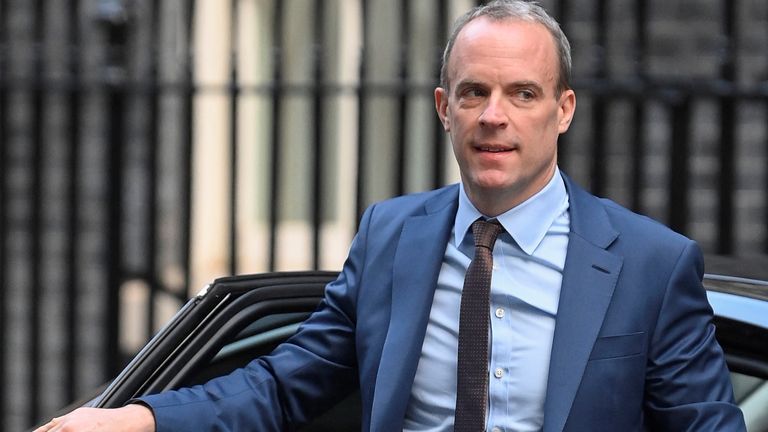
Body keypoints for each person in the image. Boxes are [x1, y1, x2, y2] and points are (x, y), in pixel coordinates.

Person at [36, 1, 746, 431]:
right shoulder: (390, 237)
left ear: (563, 111)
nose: (494, 116)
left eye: (523, 94)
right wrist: (137, 416)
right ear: (444, 109)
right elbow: (282, 387)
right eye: (474, 93)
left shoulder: (649, 265)